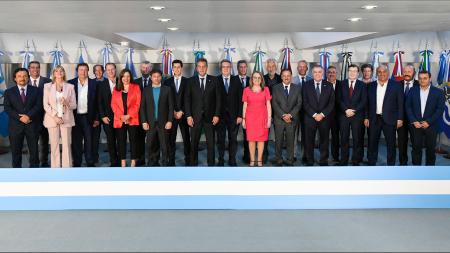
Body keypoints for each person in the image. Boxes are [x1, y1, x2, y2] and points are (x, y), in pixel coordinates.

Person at [185, 58, 221, 166]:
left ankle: (211, 164)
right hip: (195, 118)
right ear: (196, 68)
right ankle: (193, 164)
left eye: (203, 66)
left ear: (207, 67)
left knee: (210, 143)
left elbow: (218, 99)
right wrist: (188, 116)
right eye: (199, 66)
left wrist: (216, 115)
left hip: (210, 117)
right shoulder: (190, 81)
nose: (201, 68)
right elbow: (187, 100)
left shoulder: (214, 80)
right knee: (194, 143)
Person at [365, 64, 404, 166]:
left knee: (391, 143)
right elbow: (367, 103)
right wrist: (366, 117)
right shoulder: (370, 85)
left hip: (390, 119)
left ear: (388, 73)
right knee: (372, 142)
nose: (382, 74)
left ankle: (390, 164)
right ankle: (371, 163)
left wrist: (400, 118)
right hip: (374, 118)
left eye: (384, 72)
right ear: (376, 73)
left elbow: (400, 103)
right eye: (379, 72)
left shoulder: (396, 85)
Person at [4, 68, 42, 168]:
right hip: (15, 127)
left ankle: (34, 173)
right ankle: (17, 174)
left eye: (25, 76)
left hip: (32, 124)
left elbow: (38, 106)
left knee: (34, 153)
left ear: (28, 78)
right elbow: (7, 108)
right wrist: (20, 117)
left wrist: (28, 116)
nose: (22, 78)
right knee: (16, 153)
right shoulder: (9, 92)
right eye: (19, 76)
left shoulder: (36, 90)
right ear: (15, 78)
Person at [406, 71, 445, 166]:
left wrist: (429, 122)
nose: (422, 80)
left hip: (431, 126)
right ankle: (416, 171)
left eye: (425, 78)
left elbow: (440, 109)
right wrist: (414, 121)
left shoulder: (438, 92)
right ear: (418, 79)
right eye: (420, 78)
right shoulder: (412, 90)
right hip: (416, 125)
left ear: (430, 79)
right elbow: (408, 106)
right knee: (416, 149)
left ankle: (429, 172)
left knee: (431, 150)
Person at [43, 65, 77, 168]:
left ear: (64, 73)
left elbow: (74, 105)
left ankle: (67, 167)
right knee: (54, 145)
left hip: (66, 119)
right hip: (52, 119)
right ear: (53, 74)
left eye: (61, 71)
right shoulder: (47, 86)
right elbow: (46, 105)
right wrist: (55, 116)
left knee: (66, 145)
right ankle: (55, 167)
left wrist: (66, 102)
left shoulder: (70, 87)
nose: (59, 72)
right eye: (57, 71)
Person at [302, 65, 335, 166]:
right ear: (312, 74)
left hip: (324, 118)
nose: (317, 74)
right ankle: (309, 160)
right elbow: (304, 102)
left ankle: (323, 160)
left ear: (323, 73)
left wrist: (322, 114)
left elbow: (331, 103)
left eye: (319, 72)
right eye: (315, 72)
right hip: (310, 118)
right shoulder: (306, 85)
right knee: (309, 140)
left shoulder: (329, 85)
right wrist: (314, 114)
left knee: (324, 140)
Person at [140, 69, 174, 166]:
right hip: (150, 123)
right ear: (151, 77)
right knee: (150, 144)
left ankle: (165, 163)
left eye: (158, 76)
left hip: (163, 123)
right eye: (154, 76)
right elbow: (142, 107)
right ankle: (152, 163)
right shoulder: (146, 90)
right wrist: (144, 121)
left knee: (164, 145)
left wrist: (170, 121)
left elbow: (171, 107)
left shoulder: (167, 89)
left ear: (161, 77)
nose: (156, 78)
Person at [68, 63, 98, 167]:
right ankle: (77, 163)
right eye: (81, 70)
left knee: (89, 141)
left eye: (85, 70)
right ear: (77, 71)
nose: (83, 72)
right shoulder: (70, 83)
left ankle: (90, 162)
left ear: (88, 71)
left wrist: (97, 118)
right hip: (75, 117)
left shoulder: (94, 83)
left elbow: (98, 102)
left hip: (89, 117)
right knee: (76, 141)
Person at [271, 69, 302, 166]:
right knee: (278, 141)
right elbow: (274, 103)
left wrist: (290, 115)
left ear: (291, 76)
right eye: (284, 75)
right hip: (279, 119)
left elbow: (299, 103)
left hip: (292, 119)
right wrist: (283, 115)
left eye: (288, 75)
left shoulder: (297, 88)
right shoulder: (275, 88)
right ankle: (278, 159)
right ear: (281, 76)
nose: (286, 77)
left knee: (291, 141)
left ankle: (290, 159)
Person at [111, 69, 141, 167]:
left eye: (128, 76)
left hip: (132, 118)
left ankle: (133, 161)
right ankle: (122, 161)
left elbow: (137, 104)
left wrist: (129, 116)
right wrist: (122, 117)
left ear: (130, 77)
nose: (126, 78)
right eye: (124, 76)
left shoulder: (136, 87)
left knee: (134, 141)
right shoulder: (116, 88)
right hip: (119, 120)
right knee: (121, 141)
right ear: (121, 78)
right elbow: (113, 105)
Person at [338, 64, 367, 166]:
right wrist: (346, 110)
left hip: (357, 116)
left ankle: (356, 160)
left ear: (358, 73)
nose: (352, 72)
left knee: (357, 139)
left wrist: (353, 110)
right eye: (350, 70)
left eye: (355, 71)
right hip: (344, 115)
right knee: (344, 139)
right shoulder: (341, 84)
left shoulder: (362, 85)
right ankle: (344, 160)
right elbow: (338, 99)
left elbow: (363, 101)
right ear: (347, 72)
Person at [216, 59, 243, 166]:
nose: (226, 69)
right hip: (220, 116)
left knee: (233, 139)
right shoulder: (216, 80)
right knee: (220, 139)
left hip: (234, 116)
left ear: (230, 68)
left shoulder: (236, 80)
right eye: (224, 67)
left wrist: (240, 115)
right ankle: (221, 159)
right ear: (221, 68)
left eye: (228, 67)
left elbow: (241, 99)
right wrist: (215, 115)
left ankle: (232, 159)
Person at [164, 60, 190, 166]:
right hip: (172, 115)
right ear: (172, 68)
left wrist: (182, 111)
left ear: (182, 68)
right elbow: (166, 99)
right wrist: (174, 112)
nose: (176, 69)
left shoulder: (188, 82)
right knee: (171, 139)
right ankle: (171, 161)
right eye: (174, 67)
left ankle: (188, 160)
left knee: (186, 138)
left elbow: (189, 99)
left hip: (184, 115)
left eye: (178, 67)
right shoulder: (167, 82)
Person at [242, 71, 272, 166]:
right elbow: (245, 105)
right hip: (250, 119)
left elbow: (268, 105)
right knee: (251, 140)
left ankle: (259, 160)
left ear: (261, 79)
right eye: (255, 77)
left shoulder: (266, 89)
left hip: (262, 118)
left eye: (259, 78)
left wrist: (269, 119)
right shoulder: (246, 90)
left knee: (261, 140)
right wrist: (243, 119)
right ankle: (252, 160)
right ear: (252, 79)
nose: (257, 79)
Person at [28, 61, 52, 167]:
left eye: (37, 67)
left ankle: (44, 162)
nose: (35, 69)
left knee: (44, 141)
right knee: (32, 142)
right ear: (29, 69)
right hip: (30, 118)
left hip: (45, 116)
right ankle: (33, 163)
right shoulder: (24, 80)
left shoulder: (48, 81)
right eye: (33, 67)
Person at [97, 63, 119, 167]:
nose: (110, 71)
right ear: (105, 71)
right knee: (111, 140)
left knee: (121, 140)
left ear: (115, 70)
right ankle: (114, 162)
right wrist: (102, 116)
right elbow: (99, 102)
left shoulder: (122, 81)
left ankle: (121, 160)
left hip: (121, 118)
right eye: (108, 70)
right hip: (107, 118)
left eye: (112, 69)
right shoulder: (102, 85)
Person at [398, 64, 419, 165]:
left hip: (415, 119)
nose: (406, 73)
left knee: (416, 143)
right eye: (405, 71)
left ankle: (416, 164)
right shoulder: (396, 84)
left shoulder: (420, 84)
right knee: (402, 143)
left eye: (409, 72)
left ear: (414, 73)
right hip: (400, 119)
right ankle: (403, 163)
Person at [292, 60, 312, 164]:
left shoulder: (312, 80)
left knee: (306, 135)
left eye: (304, 67)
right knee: (294, 134)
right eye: (300, 67)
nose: (302, 68)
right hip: (295, 112)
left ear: (307, 68)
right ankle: (294, 154)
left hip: (308, 113)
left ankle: (305, 155)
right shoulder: (292, 80)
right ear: (297, 68)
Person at [134, 61, 152, 166]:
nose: (145, 70)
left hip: (152, 116)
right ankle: (140, 160)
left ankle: (153, 160)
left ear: (150, 69)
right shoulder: (135, 82)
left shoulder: (156, 81)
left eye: (147, 68)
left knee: (153, 140)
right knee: (139, 140)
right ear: (140, 69)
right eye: (143, 68)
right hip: (138, 116)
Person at [235, 60, 251, 163]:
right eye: (241, 67)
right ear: (237, 68)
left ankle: (247, 157)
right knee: (233, 137)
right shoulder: (233, 79)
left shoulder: (252, 80)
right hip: (235, 113)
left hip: (249, 113)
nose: (243, 69)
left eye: (245, 67)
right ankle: (232, 158)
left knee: (247, 137)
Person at [326, 65, 341, 164]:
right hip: (325, 116)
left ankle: (335, 157)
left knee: (336, 138)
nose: (331, 74)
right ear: (327, 74)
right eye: (329, 72)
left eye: (333, 72)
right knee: (324, 138)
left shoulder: (342, 84)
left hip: (338, 117)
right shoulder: (322, 84)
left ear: (337, 74)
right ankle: (325, 157)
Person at [92, 64, 104, 164]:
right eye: (96, 70)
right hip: (96, 114)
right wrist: (96, 117)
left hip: (107, 114)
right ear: (94, 72)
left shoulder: (108, 81)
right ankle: (94, 158)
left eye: (100, 70)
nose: (98, 72)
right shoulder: (91, 83)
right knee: (95, 138)